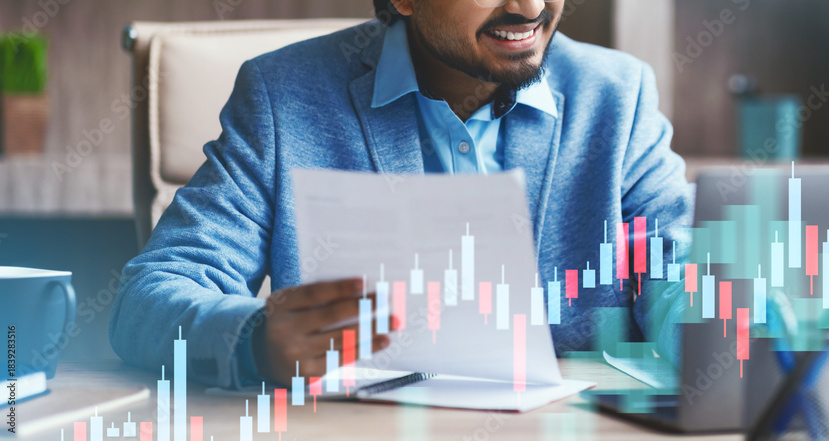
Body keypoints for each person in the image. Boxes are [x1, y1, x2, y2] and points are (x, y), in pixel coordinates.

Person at [110, 0, 691, 389]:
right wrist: (256, 341)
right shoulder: (282, 98)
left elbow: (679, 269)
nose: (530, 5)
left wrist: (724, 328)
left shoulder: (618, 96)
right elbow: (146, 300)